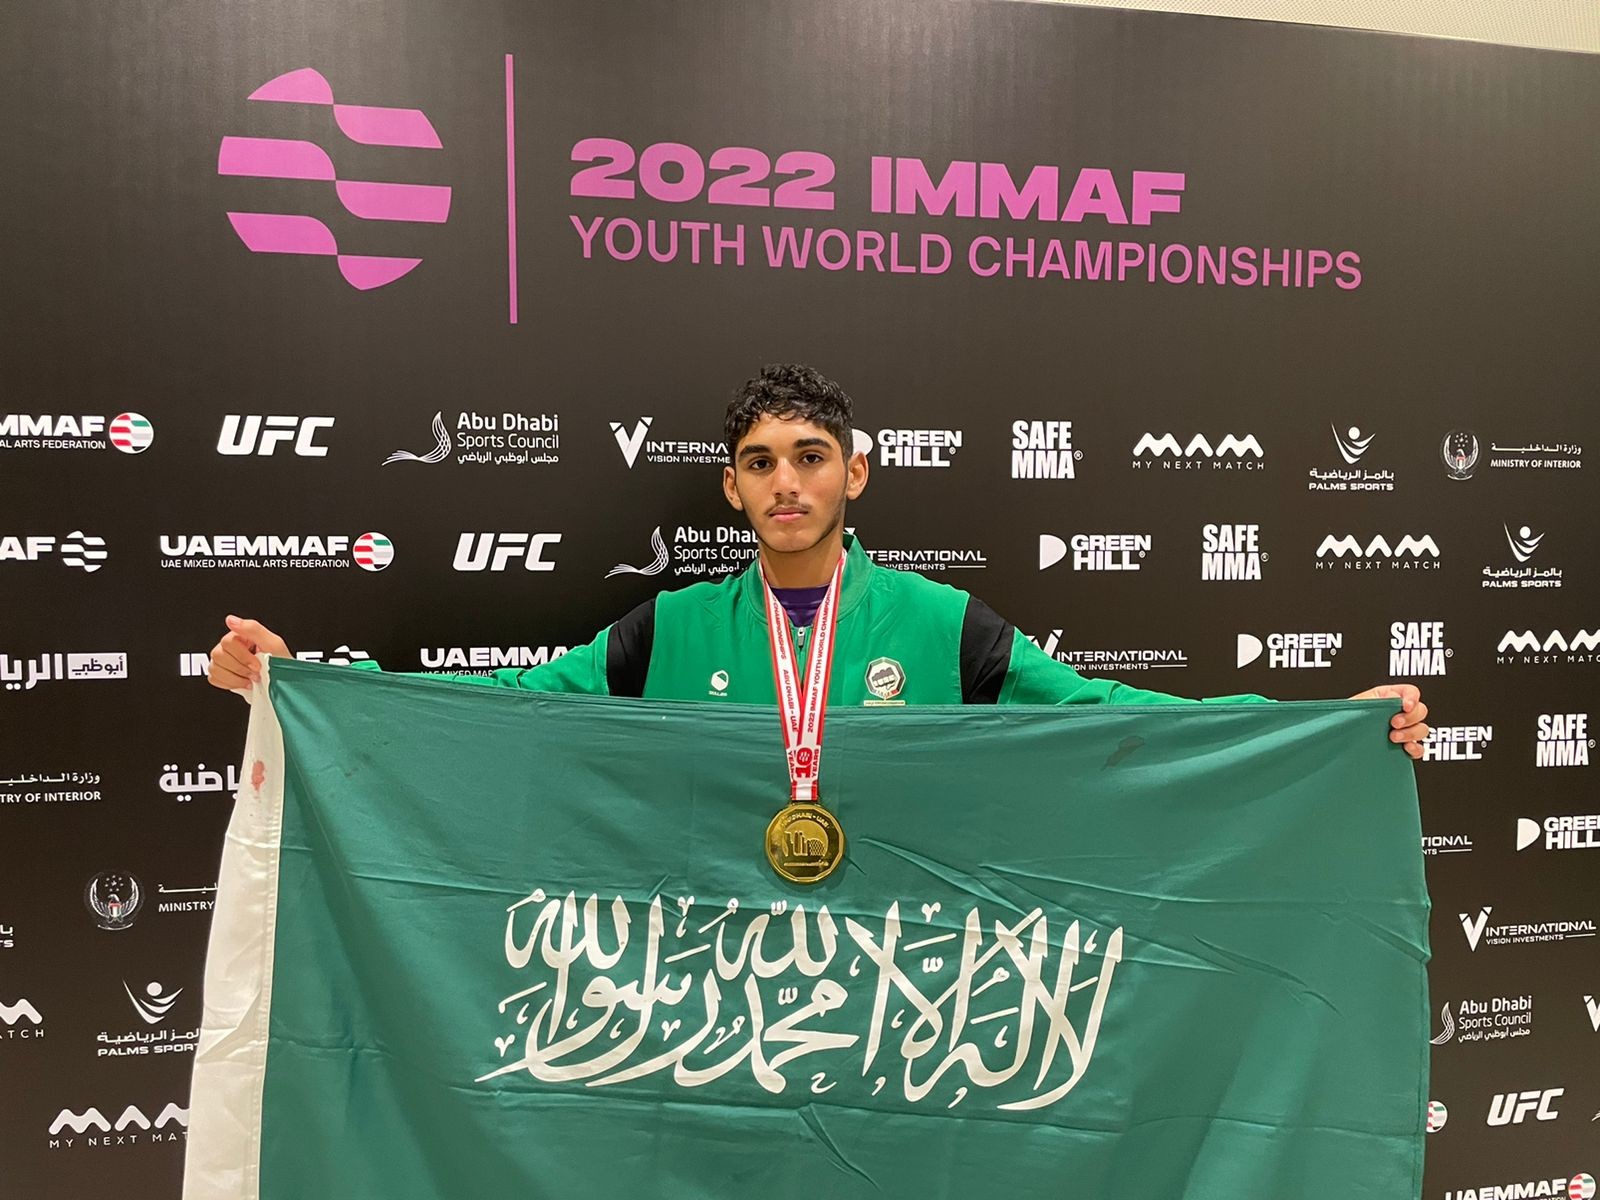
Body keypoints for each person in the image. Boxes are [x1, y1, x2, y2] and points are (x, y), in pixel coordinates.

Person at [208, 363, 1430, 755]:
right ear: (730, 487)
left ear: (856, 474)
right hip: (716, 976)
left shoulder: (946, 626)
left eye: (809, 457)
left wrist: (1324, 726)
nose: (784, 482)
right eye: (759, 462)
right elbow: (506, 704)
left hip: (903, 977)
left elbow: (1111, 717)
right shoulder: (666, 630)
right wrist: (304, 686)